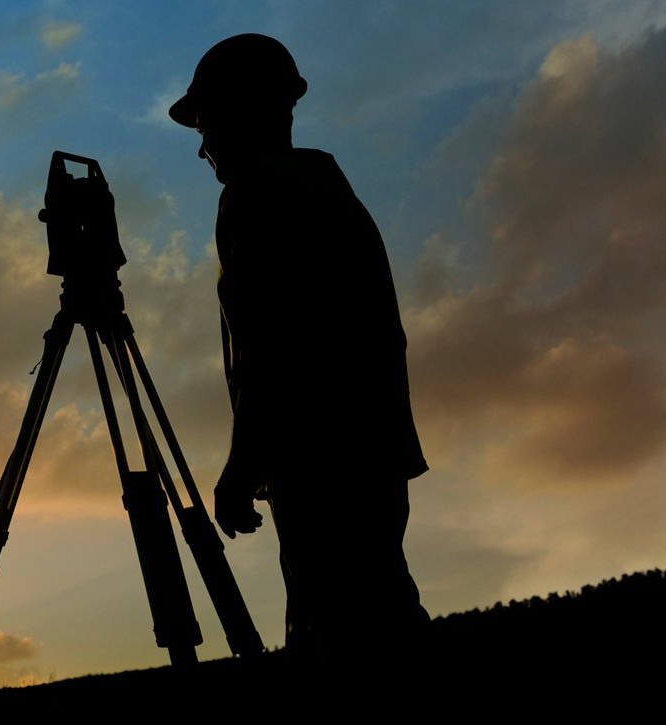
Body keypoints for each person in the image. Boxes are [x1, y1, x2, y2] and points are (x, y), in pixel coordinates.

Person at [169, 34, 431, 662]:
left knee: (337, 631)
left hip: (321, 459)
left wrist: (242, 467)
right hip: (370, 451)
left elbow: (272, 348)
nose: (202, 149)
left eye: (207, 127)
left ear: (242, 114)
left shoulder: (255, 195)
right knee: (384, 614)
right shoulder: (325, 186)